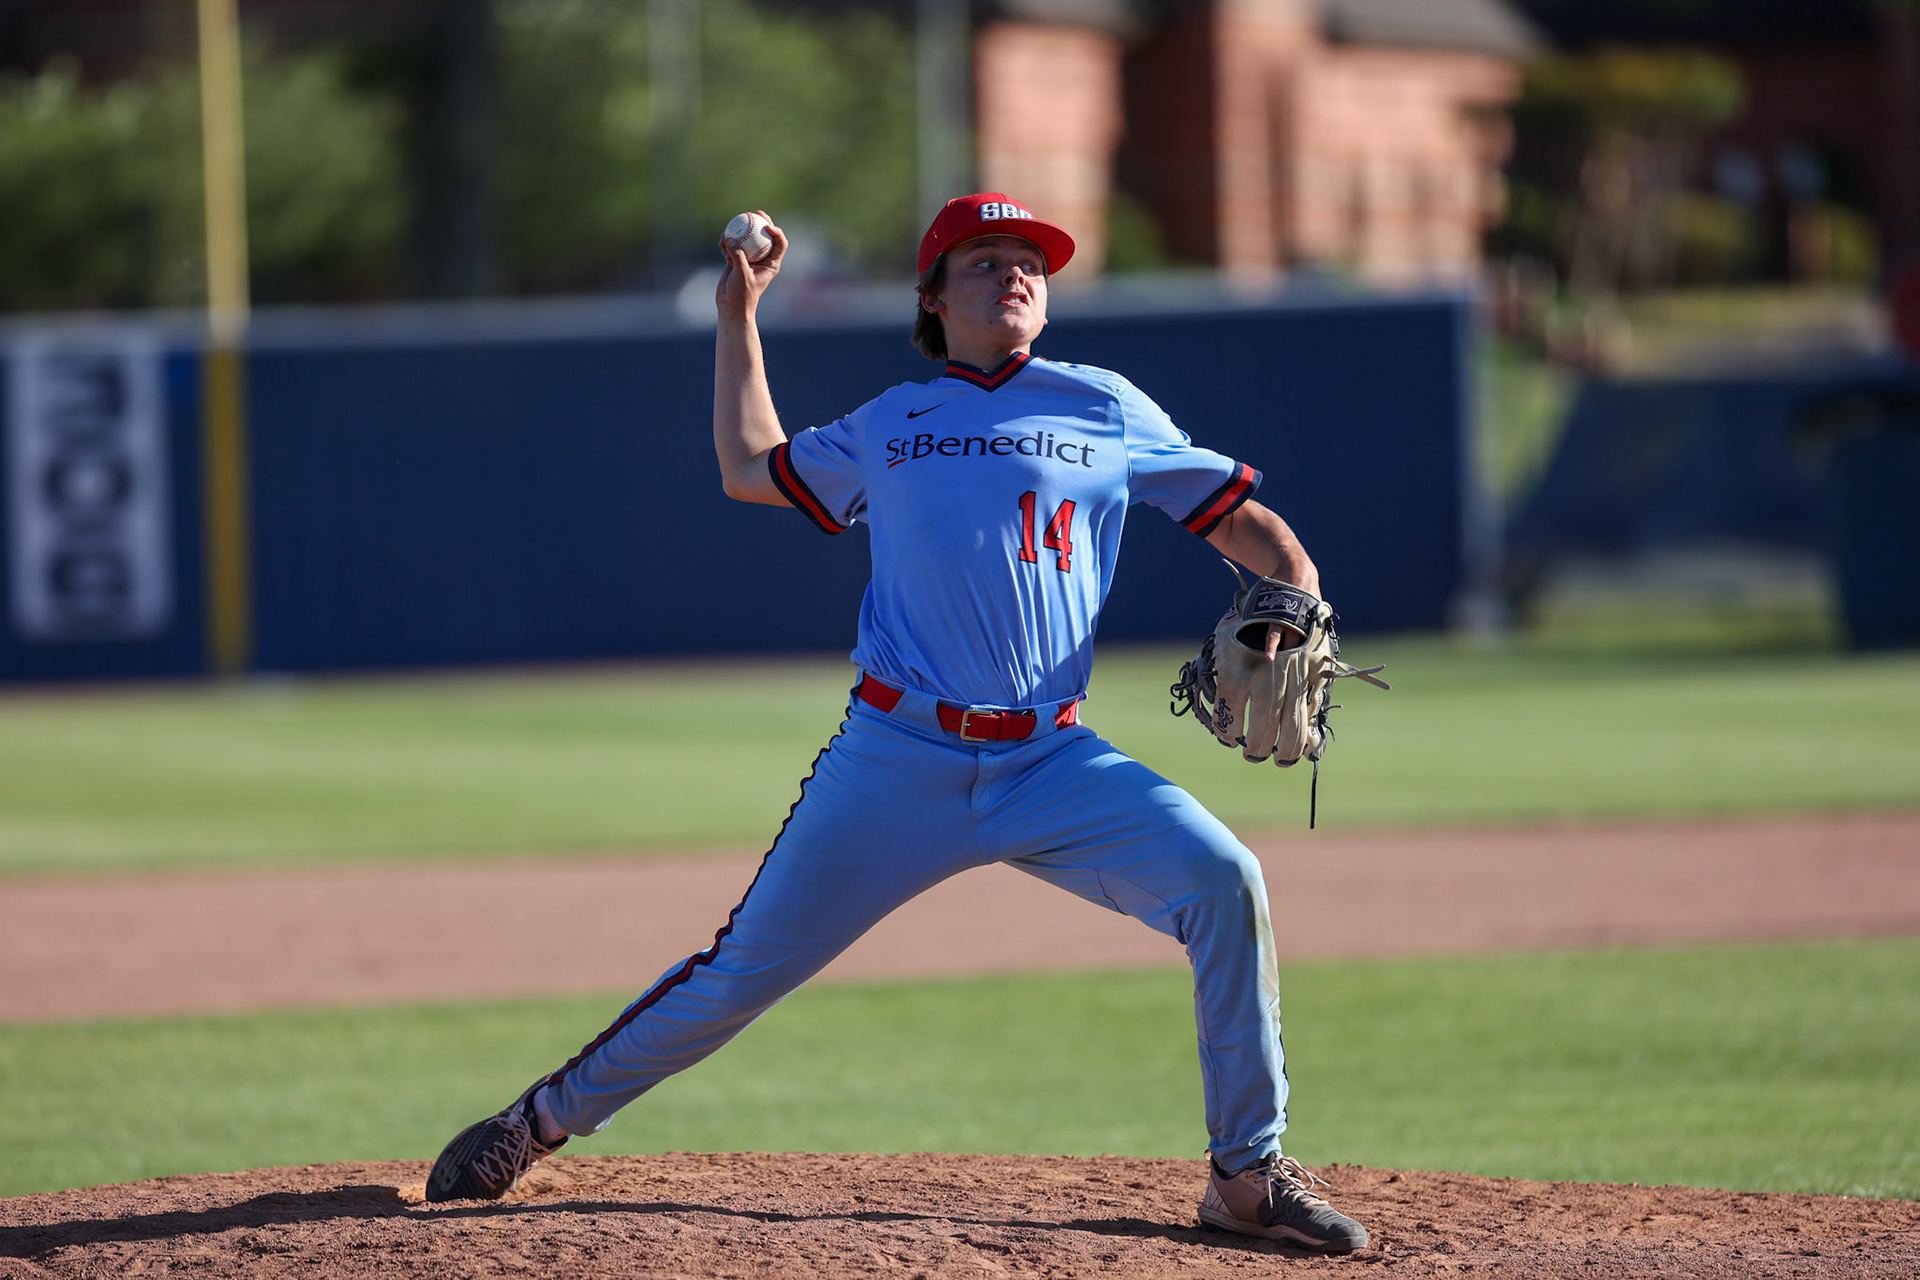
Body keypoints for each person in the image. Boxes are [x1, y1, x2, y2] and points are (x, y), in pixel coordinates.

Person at [425, 192, 1368, 1254]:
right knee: (739, 969)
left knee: (1224, 877)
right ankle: (536, 1120)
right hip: (896, 754)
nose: (1014, 272)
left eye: (1031, 262)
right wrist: (740, 315)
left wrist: (1290, 598)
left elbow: (1253, 529)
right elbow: (750, 468)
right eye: (984, 261)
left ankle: (1246, 1172)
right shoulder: (892, 421)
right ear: (933, 297)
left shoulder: (1106, 406)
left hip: (1052, 758)